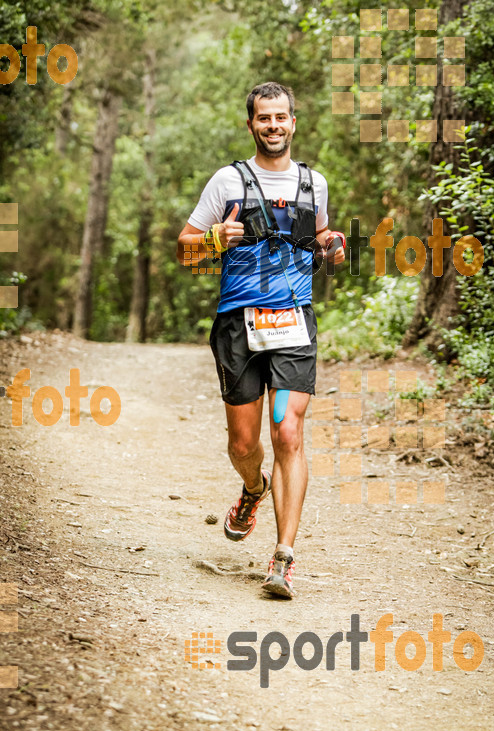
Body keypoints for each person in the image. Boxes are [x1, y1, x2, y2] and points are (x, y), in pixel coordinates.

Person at [177, 82, 344, 599]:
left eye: (282, 118)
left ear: (295, 122)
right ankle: (253, 488)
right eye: (264, 118)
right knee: (245, 444)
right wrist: (211, 240)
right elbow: (185, 251)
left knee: (287, 434)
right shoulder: (226, 181)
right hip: (238, 325)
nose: (274, 126)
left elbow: (321, 240)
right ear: (251, 124)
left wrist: (333, 249)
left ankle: (283, 558)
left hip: (294, 323)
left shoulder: (313, 183)